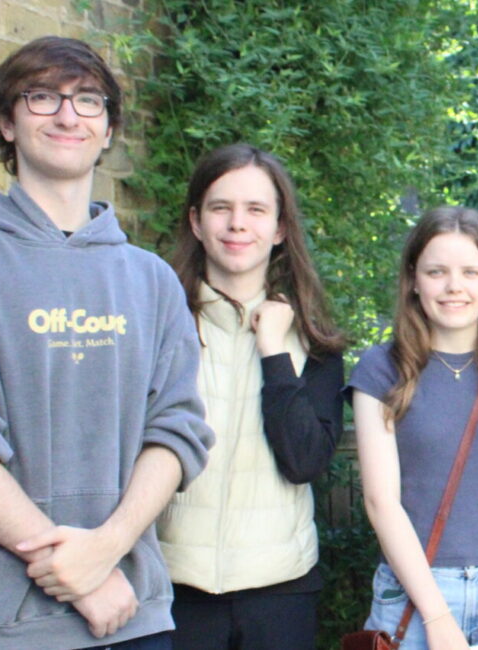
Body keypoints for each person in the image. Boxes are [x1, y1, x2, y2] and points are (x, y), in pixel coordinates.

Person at [0, 36, 213, 649]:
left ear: (108, 129)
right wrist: (78, 578)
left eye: (88, 101)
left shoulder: (151, 280)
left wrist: (105, 553)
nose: (66, 115)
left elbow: (177, 431)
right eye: (41, 97)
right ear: (7, 121)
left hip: (131, 616)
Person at [157, 143, 346, 649]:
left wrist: (273, 352)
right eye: (221, 208)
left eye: (256, 210)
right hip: (172, 589)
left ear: (280, 228)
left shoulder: (315, 342)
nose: (237, 224)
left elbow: (304, 461)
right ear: (196, 221)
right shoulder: (157, 326)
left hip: (280, 592)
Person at [347, 206, 478, 649]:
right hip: (414, 589)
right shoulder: (381, 369)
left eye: (469, 271)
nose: (454, 286)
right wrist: (437, 616)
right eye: (437, 271)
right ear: (414, 279)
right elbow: (380, 501)